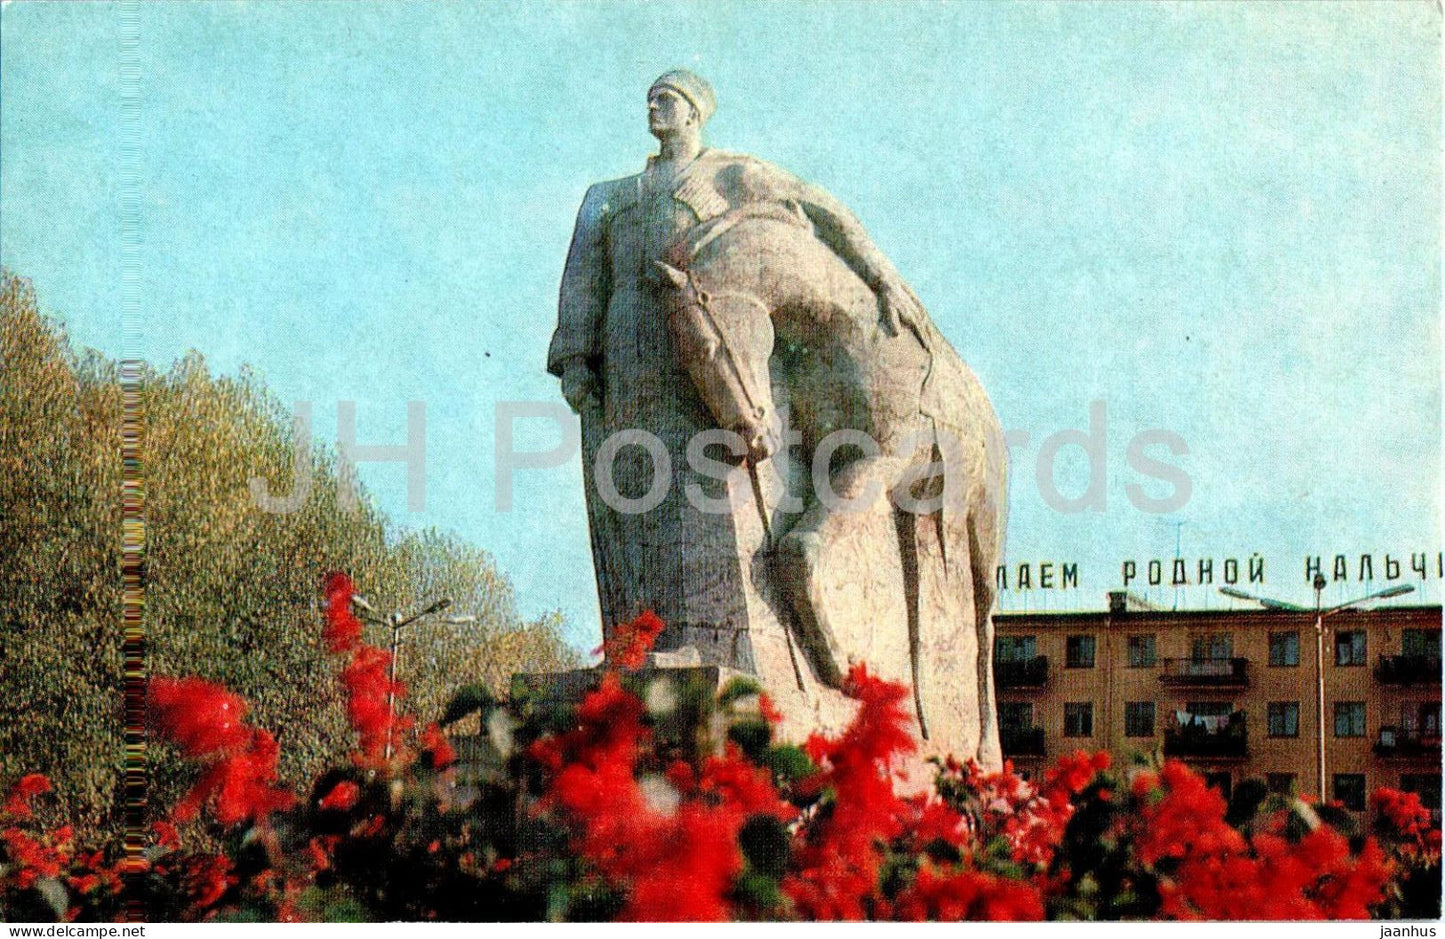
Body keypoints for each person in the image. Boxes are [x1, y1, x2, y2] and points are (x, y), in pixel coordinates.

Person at [548, 69, 934, 660]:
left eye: (666, 99)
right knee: (630, 487)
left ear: (694, 112)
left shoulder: (732, 176)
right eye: (650, 99)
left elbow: (823, 210)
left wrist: (881, 277)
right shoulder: (607, 196)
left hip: (705, 348)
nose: (654, 108)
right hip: (626, 350)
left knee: (698, 488)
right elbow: (581, 279)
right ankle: (638, 642)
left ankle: (701, 643)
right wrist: (576, 358)